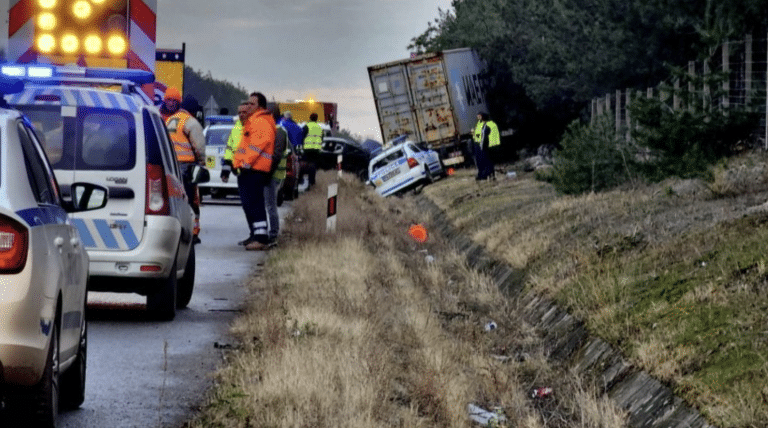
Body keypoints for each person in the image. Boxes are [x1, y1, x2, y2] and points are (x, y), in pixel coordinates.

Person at [162, 86, 206, 244]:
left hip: (170, 165)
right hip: (187, 166)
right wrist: (202, 163)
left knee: (173, 198)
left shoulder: (170, 120)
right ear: (194, 110)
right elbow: (199, 146)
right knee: (191, 199)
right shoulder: (191, 122)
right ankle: (192, 232)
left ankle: (175, 230)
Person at [233, 92, 276, 251]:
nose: (248, 106)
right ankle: (255, 235)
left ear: (260, 106)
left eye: (252, 104)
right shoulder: (254, 121)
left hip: (254, 169)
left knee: (255, 205)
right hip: (249, 169)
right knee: (249, 204)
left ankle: (261, 238)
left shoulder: (261, 121)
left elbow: (257, 146)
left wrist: (245, 163)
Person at [263, 105, 289, 247]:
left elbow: (277, 154)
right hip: (270, 173)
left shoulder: (279, 131)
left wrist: (267, 171)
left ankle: (273, 235)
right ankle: (268, 234)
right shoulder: (274, 130)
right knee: (268, 205)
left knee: (271, 206)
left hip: (273, 174)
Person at [221, 100, 249, 184]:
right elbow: (229, 151)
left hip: (254, 172)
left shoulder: (256, 127)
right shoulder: (236, 129)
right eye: (239, 112)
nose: (241, 115)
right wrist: (225, 172)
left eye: (244, 112)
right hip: (240, 172)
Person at [472, 112, 500, 181]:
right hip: (485, 144)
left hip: (485, 145)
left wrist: (481, 145)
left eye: (479, 116)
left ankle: (487, 175)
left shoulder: (486, 124)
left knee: (486, 161)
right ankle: (487, 175)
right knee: (486, 161)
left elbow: (484, 136)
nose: (478, 118)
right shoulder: (484, 124)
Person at [300, 112, 323, 189]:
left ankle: (300, 181)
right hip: (316, 151)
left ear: (310, 118)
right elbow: (322, 139)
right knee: (313, 167)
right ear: (316, 119)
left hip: (307, 150)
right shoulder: (320, 128)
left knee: (303, 166)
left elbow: (301, 137)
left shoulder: (306, 126)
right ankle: (312, 183)